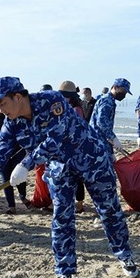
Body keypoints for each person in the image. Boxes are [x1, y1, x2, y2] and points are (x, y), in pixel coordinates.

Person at [0, 76, 138, 278]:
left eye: (3, 103)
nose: (1, 110)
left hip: (91, 159)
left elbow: (58, 136)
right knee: (62, 217)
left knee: (109, 210)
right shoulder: (11, 125)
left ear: (19, 97)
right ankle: (64, 270)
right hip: (60, 168)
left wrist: (26, 163)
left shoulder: (51, 101)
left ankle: (125, 256)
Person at [59, 80, 88, 213]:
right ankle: (76, 202)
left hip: (75, 148)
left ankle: (79, 202)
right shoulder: (70, 108)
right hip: (68, 148)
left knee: (77, 177)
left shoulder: (76, 109)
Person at [89, 78, 132, 160]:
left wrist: (111, 151)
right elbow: (102, 123)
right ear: (115, 87)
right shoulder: (107, 101)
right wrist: (114, 138)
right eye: (123, 91)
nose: (124, 94)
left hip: (102, 140)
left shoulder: (109, 100)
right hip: (98, 142)